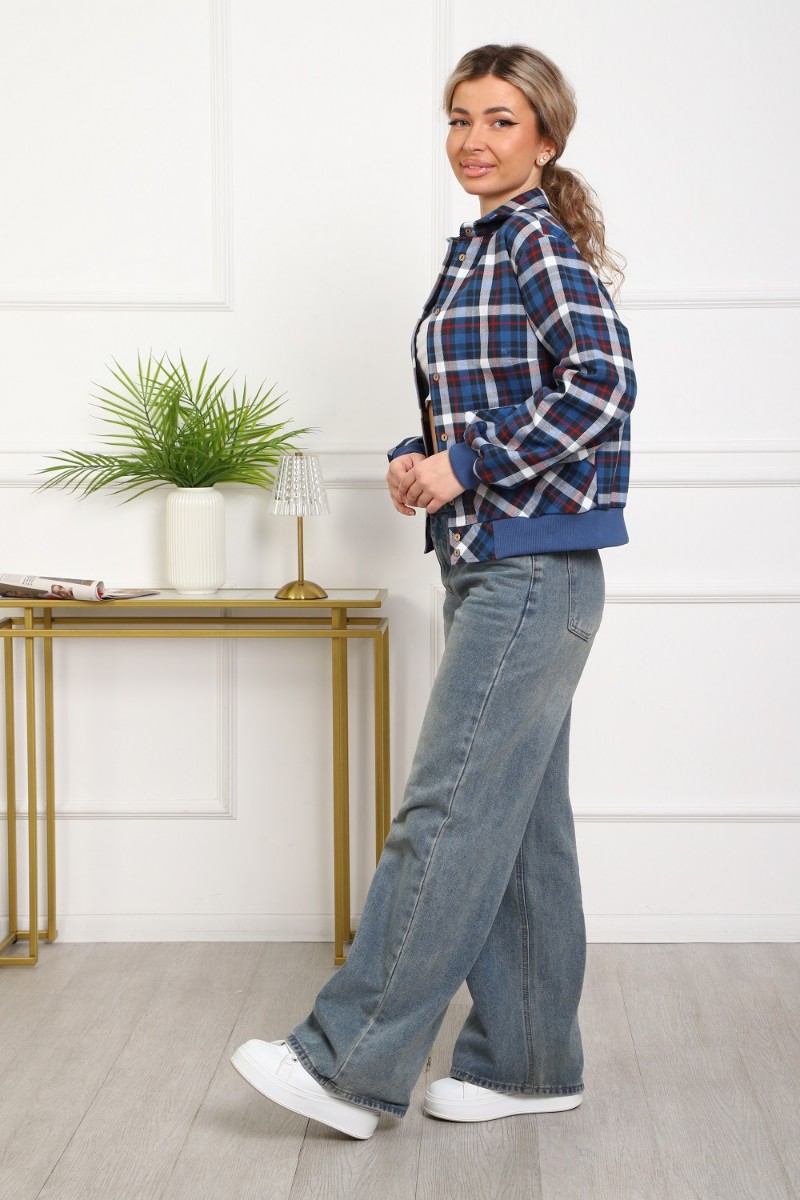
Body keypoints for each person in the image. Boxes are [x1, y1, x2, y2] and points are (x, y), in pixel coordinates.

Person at [232, 42, 637, 1140]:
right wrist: (425, 457)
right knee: (517, 829)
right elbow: (493, 397)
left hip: (533, 569)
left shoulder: (535, 245)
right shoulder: (480, 249)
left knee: (447, 812)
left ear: (545, 138)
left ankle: (345, 1064)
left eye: (500, 120)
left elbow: (602, 385)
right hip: (495, 562)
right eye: (459, 118)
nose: (473, 140)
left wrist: (469, 462)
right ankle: (528, 1064)